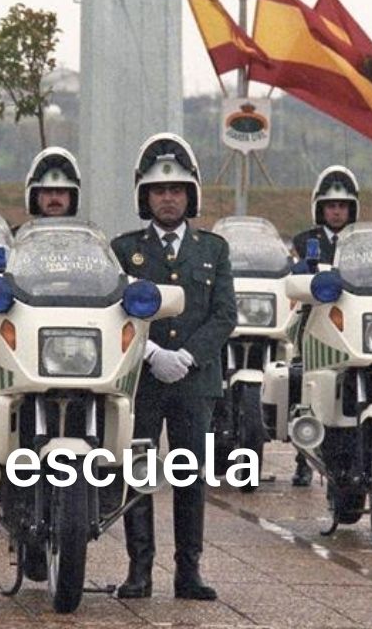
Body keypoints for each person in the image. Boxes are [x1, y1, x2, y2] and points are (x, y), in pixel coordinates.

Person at [110, 133, 236, 601]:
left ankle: (189, 571)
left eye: (177, 189)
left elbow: (224, 314)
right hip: (142, 377)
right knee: (137, 471)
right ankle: (139, 570)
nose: (168, 197)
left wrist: (185, 356)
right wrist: (150, 354)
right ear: (146, 196)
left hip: (194, 379)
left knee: (189, 476)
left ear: (191, 195)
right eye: (159, 190)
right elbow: (116, 312)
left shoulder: (214, 249)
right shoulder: (124, 249)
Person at [287, 165, 361, 486]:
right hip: (315, 322)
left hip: (352, 325)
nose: (336, 211)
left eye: (342, 205)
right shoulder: (306, 240)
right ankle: (303, 457)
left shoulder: (362, 242)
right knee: (304, 385)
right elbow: (299, 275)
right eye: (331, 205)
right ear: (320, 208)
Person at [24, 146, 81, 219]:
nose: (54, 198)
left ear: (72, 197)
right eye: (47, 191)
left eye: (61, 191)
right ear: (35, 196)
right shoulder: (24, 230)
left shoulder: (86, 230)